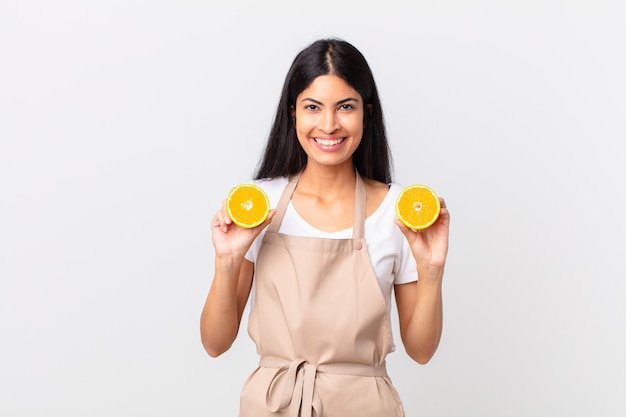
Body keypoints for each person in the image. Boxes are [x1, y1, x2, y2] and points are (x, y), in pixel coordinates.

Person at [200, 38, 450, 417]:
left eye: (345, 107)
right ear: (293, 114)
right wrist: (226, 261)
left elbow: (421, 350)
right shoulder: (257, 206)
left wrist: (431, 271)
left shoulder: (400, 212)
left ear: (366, 114)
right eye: (313, 107)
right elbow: (215, 343)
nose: (329, 124)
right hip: (274, 405)